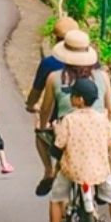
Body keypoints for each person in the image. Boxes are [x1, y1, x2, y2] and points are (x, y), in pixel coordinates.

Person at [35, 78, 111, 222]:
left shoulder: (68, 120)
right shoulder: (102, 119)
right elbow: (110, 142)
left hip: (72, 170)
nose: (70, 99)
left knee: (57, 198)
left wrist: (56, 130)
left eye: (73, 96)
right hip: (100, 170)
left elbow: (59, 145)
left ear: (80, 100)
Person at [34, 29, 111, 196]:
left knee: (41, 134)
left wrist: (42, 126)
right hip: (98, 128)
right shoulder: (102, 76)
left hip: (67, 129)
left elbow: (46, 109)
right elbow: (110, 110)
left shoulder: (55, 77)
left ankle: (49, 171)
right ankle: (100, 182)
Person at [27, 16, 79, 190]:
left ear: (56, 40)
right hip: (90, 120)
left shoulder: (49, 64)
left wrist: (31, 105)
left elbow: (37, 94)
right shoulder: (92, 65)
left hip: (58, 119)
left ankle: (48, 170)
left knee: (40, 133)